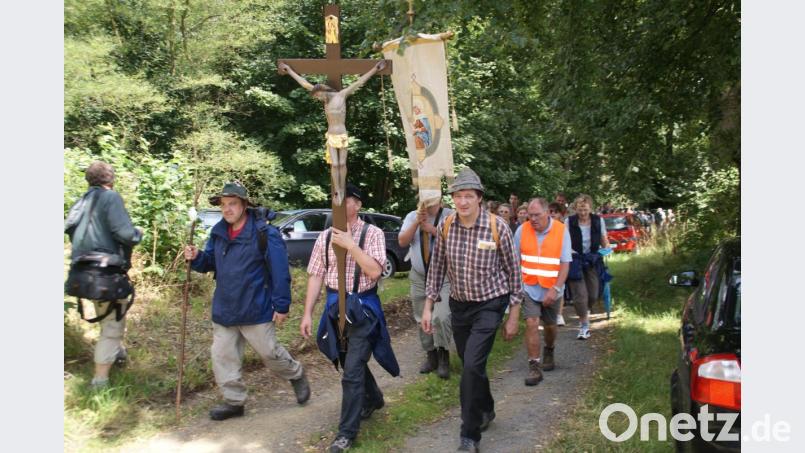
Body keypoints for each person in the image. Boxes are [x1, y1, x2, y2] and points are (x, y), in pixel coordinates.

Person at [184, 182, 310, 421]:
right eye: (223, 205)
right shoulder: (218, 233)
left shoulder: (265, 233)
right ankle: (234, 402)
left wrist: (281, 305)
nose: (227, 209)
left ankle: (296, 374)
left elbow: (280, 272)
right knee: (222, 356)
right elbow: (211, 262)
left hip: (256, 306)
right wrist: (197, 257)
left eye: (232, 204)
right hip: (225, 307)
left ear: (244, 205)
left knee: (270, 353)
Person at [422, 168, 522, 453]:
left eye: (468, 196)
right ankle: (487, 408)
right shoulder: (446, 226)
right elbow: (437, 268)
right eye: (457, 196)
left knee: (470, 367)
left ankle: (469, 435)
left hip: (490, 304)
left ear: (479, 198)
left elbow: (514, 273)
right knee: (471, 366)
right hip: (460, 305)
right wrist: (429, 307)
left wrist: (514, 314)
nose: (463, 201)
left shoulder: (497, 226)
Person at [300, 183, 399, 453]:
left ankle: (346, 434)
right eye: (336, 198)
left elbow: (375, 272)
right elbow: (316, 275)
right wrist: (307, 313)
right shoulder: (324, 237)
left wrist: (351, 246)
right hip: (335, 306)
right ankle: (374, 398)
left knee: (352, 371)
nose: (341, 204)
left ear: (358, 205)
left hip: (364, 308)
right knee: (346, 360)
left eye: (348, 200)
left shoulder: (373, 233)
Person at [65, 161, 143, 389]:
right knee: (112, 327)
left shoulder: (82, 201)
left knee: (107, 317)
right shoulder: (111, 198)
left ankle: (118, 354)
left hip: (82, 273)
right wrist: (138, 233)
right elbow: (125, 233)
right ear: (111, 180)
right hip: (106, 274)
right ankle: (99, 383)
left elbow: (69, 229)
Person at [278, 60, 386, 206]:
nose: (318, 99)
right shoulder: (325, 102)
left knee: (342, 163)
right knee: (334, 164)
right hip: (331, 135)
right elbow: (304, 83)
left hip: (342, 135)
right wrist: (289, 70)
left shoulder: (341, 96)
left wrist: (375, 69)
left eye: (318, 96)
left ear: (322, 91)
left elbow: (359, 82)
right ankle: (338, 191)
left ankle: (342, 187)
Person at [507, 198, 572, 386]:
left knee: (550, 326)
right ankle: (534, 366)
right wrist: (515, 286)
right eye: (530, 215)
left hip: (552, 289)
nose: (533, 219)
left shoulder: (561, 230)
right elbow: (514, 260)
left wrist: (556, 289)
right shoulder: (522, 230)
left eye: (537, 215)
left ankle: (549, 349)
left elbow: (565, 263)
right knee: (532, 322)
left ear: (547, 213)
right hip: (528, 286)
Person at [399, 197, 454, 379]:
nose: (429, 202)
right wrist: (416, 222)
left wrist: (431, 230)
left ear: (439, 197)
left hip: (444, 276)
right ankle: (431, 356)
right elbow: (402, 241)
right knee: (420, 316)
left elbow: (457, 241)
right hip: (419, 276)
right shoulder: (411, 216)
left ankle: (444, 355)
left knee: (442, 316)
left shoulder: (449, 215)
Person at [565, 194, 609, 340]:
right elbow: (564, 242)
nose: (583, 213)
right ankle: (584, 326)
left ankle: (586, 310)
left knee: (593, 293)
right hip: (575, 260)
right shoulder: (569, 222)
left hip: (592, 260)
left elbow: (604, 240)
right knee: (580, 295)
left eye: (585, 210)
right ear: (575, 209)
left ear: (590, 208)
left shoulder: (598, 221)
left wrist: (607, 248)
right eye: (580, 210)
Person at [548, 201, 569, 326]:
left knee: (560, 287)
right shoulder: (543, 227)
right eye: (550, 212)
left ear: (560, 215)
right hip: (546, 262)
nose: (552, 215)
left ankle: (559, 314)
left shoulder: (563, 228)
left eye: (555, 213)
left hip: (560, 262)